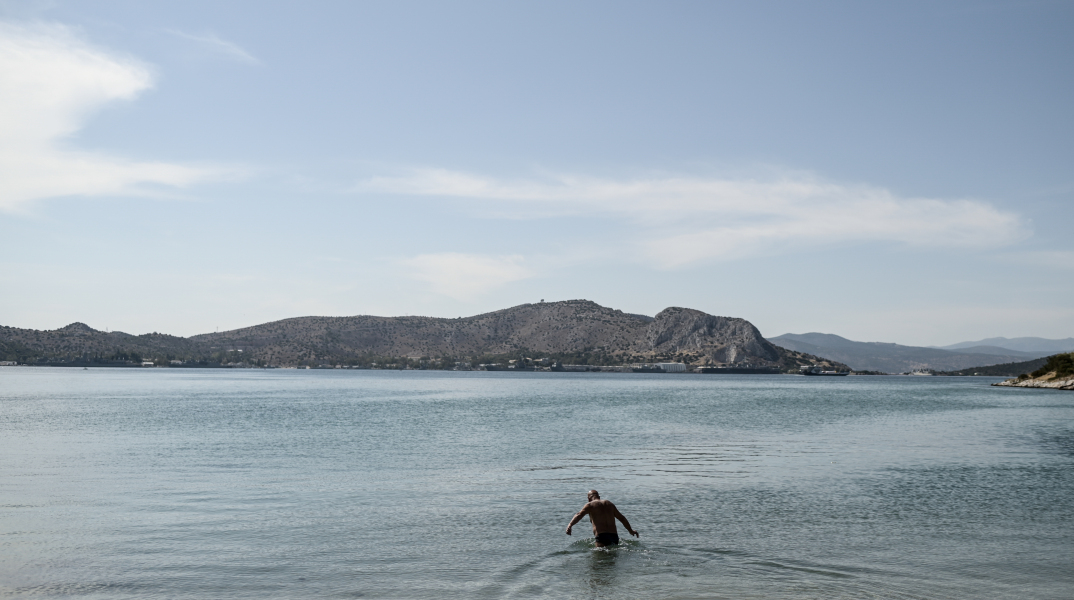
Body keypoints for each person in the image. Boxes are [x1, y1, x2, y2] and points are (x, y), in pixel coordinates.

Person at [565, 489, 639, 547]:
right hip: (614, 536)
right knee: (613, 559)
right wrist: (630, 530)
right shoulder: (610, 504)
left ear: (589, 498)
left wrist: (570, 525)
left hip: (601, 536)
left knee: (599, 560)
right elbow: (622, 518)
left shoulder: (590, 505)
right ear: (599, 497)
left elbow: (579, 515)